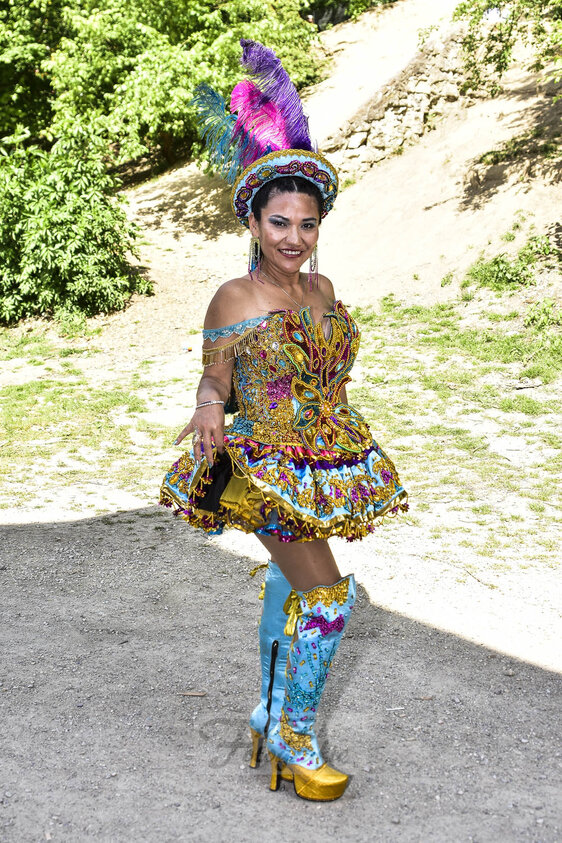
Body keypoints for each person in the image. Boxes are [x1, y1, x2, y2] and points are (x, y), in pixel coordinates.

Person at [160, 39, 408, 802]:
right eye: (278, 222)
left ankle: (269, 716)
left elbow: (327, 370)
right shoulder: (235, 298)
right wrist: (208, 403)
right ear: (254, 221)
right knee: (328, 596)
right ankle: (293, 738)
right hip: (262, 468)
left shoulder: (322, 290)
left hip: (323, 459)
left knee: (292, 589)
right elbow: (216, 372)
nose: (293, 238)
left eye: (306, 223)